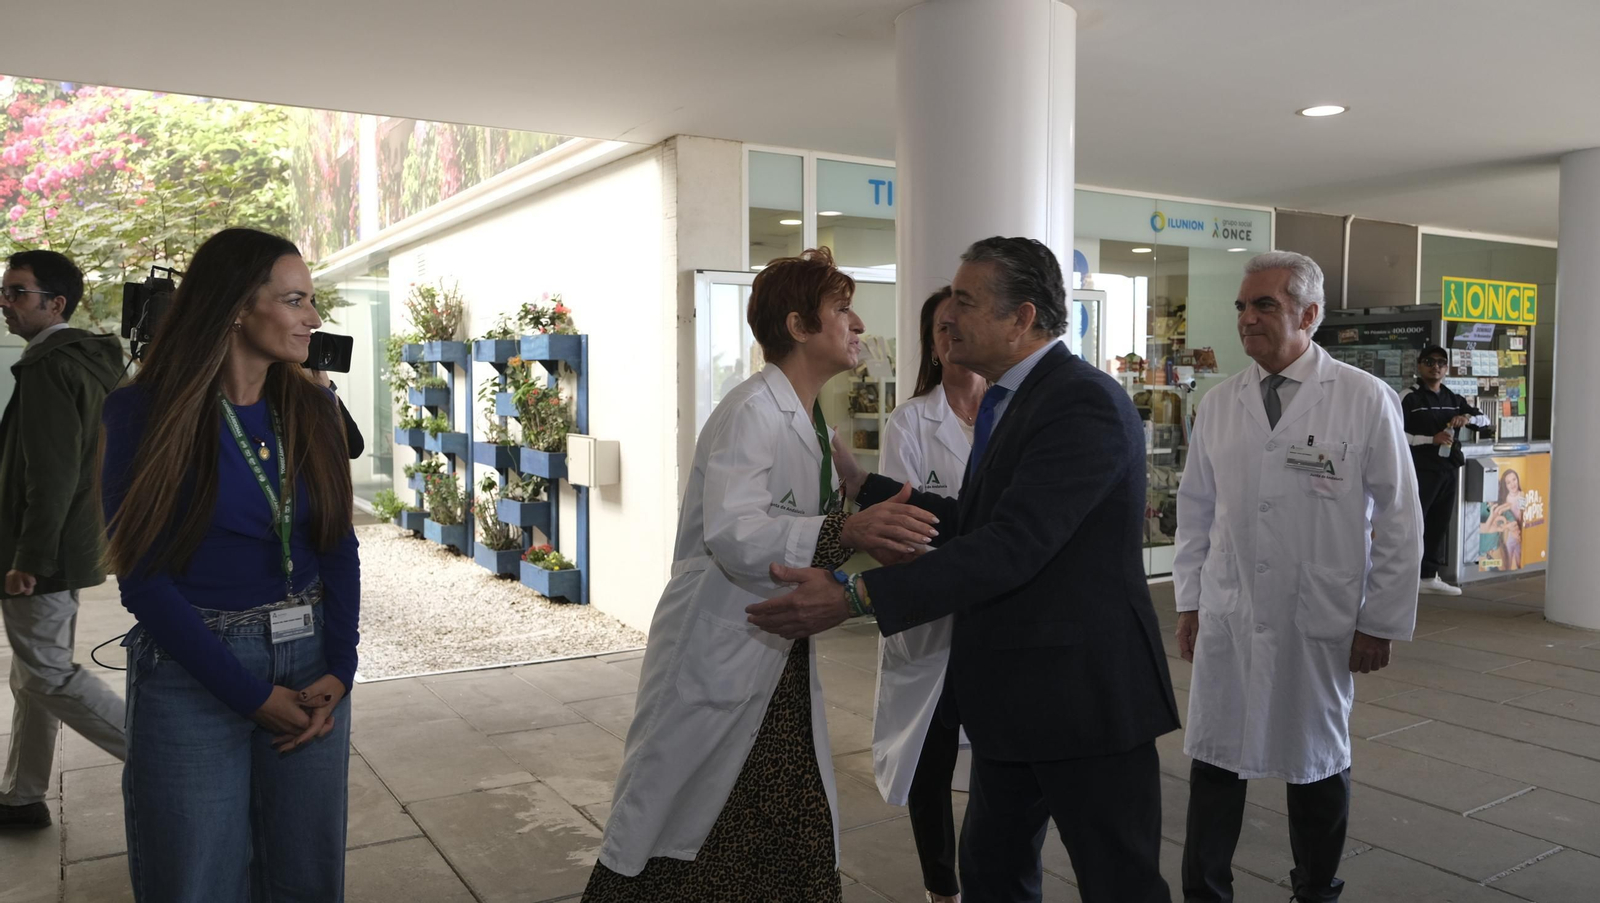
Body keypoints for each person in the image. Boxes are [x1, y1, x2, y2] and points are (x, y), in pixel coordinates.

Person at [748, 236, 1180, 903]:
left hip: (1085, 698)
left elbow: (1013, 544)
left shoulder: (1080, 402)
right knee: (990, 874)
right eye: (949, 297)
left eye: (966, 300)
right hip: (1016, 697)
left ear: (1022, 319)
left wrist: (856, 591)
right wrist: (868, 486)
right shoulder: (1013, 401)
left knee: (1118, 879)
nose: (947, 315)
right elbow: (976, 519)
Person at [583, 247, 936, 901]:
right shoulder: (753, 411)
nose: (857, 325)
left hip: (770, 655)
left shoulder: (808, 417)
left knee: (784, 819)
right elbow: (736, 530)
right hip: (721, 643)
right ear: (799, 326)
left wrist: (861, 528)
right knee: (675, 822)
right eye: (841, 310)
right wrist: (845, 532)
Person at [101, 228, 361, 902]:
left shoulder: (315, 407)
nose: (313, 318)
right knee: (195, 879)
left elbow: (338, 545)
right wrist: (249, 694)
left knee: (306, 877)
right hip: (192, 667)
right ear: (238, 308)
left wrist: (340, 668)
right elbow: (144, 579)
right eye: (296, 300)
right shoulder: (142, 412)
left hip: (309, 662)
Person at [1172, 250, 1422, 903]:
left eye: (1265, 306)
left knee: (1315, 762)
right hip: (1230, 610)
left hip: (1321, 615)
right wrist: (1191, 600)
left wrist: (1379, 618)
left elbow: (1399, 518)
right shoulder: (1220, 403)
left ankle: (1315, 890)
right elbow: (1196, 512)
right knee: (1215, 758)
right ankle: (1206, 890)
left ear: (1310, 315)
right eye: (1242, 307)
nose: (1247, 319)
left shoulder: (1364, 399)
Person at [0, 250, 127, 829]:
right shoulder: (87, 360)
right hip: (66, 541)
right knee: (31, 673)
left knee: (47, 671)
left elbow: (50, 472)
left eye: (16, 292)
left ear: (55, 303)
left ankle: (166, 758)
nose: (5, 302)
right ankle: (22, 796)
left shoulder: (51, 366)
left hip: (43, 551)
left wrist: (29, 556)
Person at [873, 286, 986, 903]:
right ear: (931, 341)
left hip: (996, 617)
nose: (953, 336)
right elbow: (904, 522)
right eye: (942, 328)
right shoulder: (911, 421)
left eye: (962, 323)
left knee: (1002, 762)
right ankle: (941, 889)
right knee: (930, 759)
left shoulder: (1010, 413)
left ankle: (991, 875)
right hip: (935, 619)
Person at [1400, 345, 1489, 596]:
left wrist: (1467, 419)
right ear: (1419, 365)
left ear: (1446, 368)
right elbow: (1394, 433)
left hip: (1447, 470)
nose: (1435, 366)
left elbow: (1485, 421)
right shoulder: (1408, 397)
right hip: (1420, 469)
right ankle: (1404, 576)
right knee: (1413, 523)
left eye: (1440, 362)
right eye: (1429, 361)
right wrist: (1430, 439)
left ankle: (1428, 576)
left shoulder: (1453, 398)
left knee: (1438, 523)